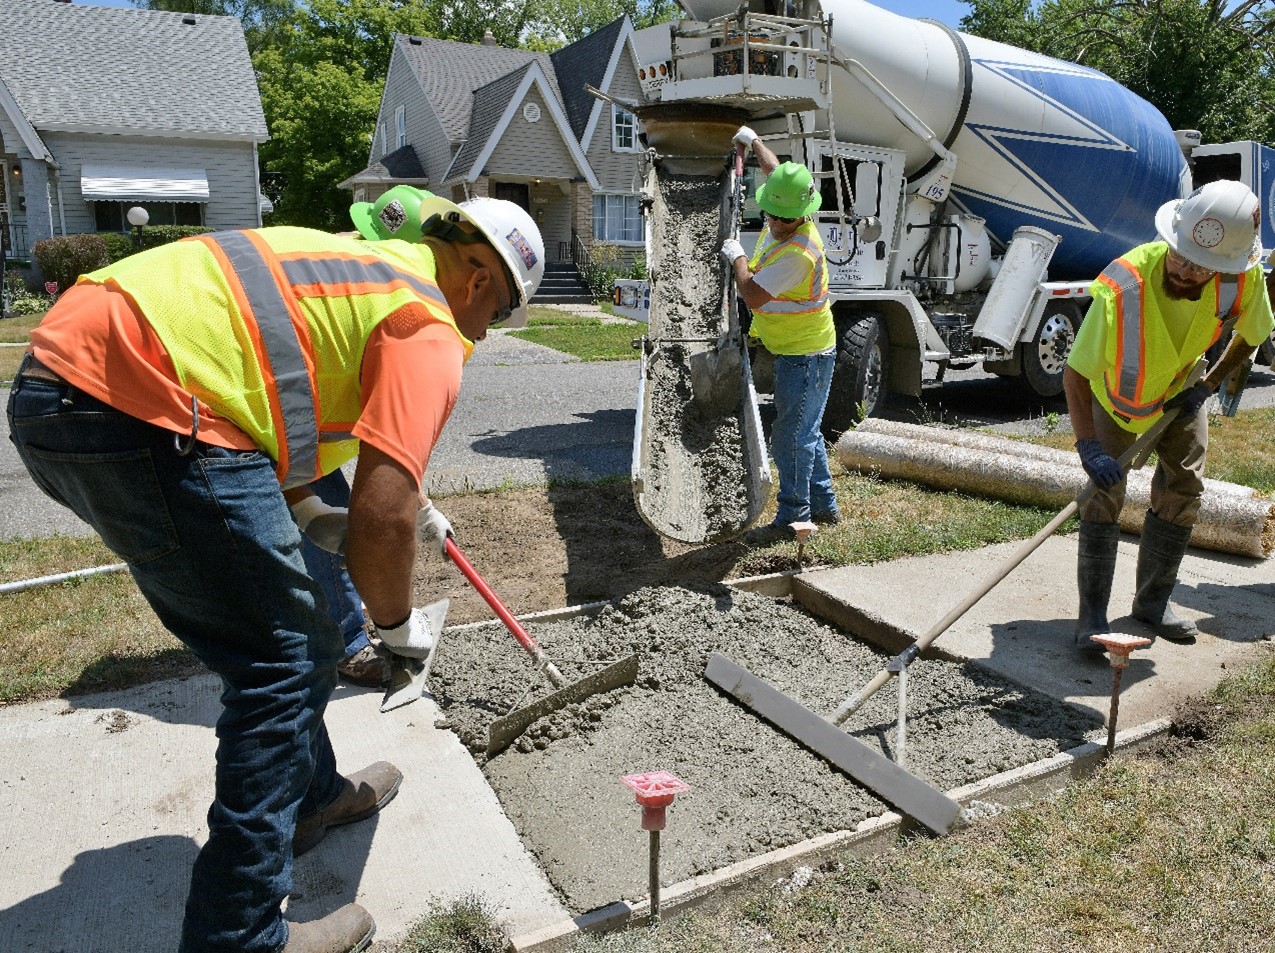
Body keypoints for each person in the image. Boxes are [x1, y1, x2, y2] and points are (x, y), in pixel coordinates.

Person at [7, 195, 544, 953]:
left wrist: (310, 512)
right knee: (281, 659)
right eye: (498, 316)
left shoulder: (368, 269)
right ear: (480, 279)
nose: (485, 333)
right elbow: (383, 514)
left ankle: (312, 800)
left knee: (292, 634)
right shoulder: (426, 320)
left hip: (68, 387)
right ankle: (240, 934)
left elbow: (261, 384)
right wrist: (396, 629)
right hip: (138, 403)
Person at [1063, 179, 1273, 652]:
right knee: (1102, 492)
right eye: (1179, 256)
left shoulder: (1241, 277)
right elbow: (1075, 376)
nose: (1185, 270)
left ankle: (1152, 604)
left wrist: (1207, 385)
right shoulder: (1125, 286)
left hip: (1182, 391)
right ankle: (1092, 614)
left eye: (1201, 268)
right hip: (1117, 400)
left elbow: (1253, 333)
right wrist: (1089, 447)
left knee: (1184, 488)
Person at [721, 125, 840, 543]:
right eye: (770, 213)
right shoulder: (793, 204)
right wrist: (753, 141)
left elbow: (752, 294)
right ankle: (825, 506)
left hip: (805, 354)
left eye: (780, 218)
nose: (773, 222)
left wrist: (736, 255)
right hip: (795, 346)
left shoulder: (799, 253)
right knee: (805, 429)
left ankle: (793, 517)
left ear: (799, 216)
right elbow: (776, 173)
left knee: (791, 434)